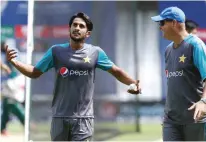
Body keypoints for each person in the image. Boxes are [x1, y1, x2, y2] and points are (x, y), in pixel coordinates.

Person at [5, 12, 141, 141]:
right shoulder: (56, 51)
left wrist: (134, 83)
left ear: (87, 33)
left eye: (81, 26)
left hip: (83, 119)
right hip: (59, 118)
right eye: (74, 25)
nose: (77, 28)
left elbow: (116, 71)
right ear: (69, 29)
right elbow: (34, 72)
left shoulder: (95, 52)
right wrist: (14, 62)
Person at [151, 7, 206, 141]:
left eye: (162, 23)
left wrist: (204, 101)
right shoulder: (168, 50)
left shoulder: (195, 44)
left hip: (196, 119)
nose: (160, 27)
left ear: (174, 23)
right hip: (171, 121)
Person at [1, 41, 25, 136]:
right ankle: (2, 128)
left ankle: (26, 123)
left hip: (14, 80)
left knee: (11, 101)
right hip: (10, 81)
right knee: (7, 103)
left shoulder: (12, 52)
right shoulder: (3, 55)